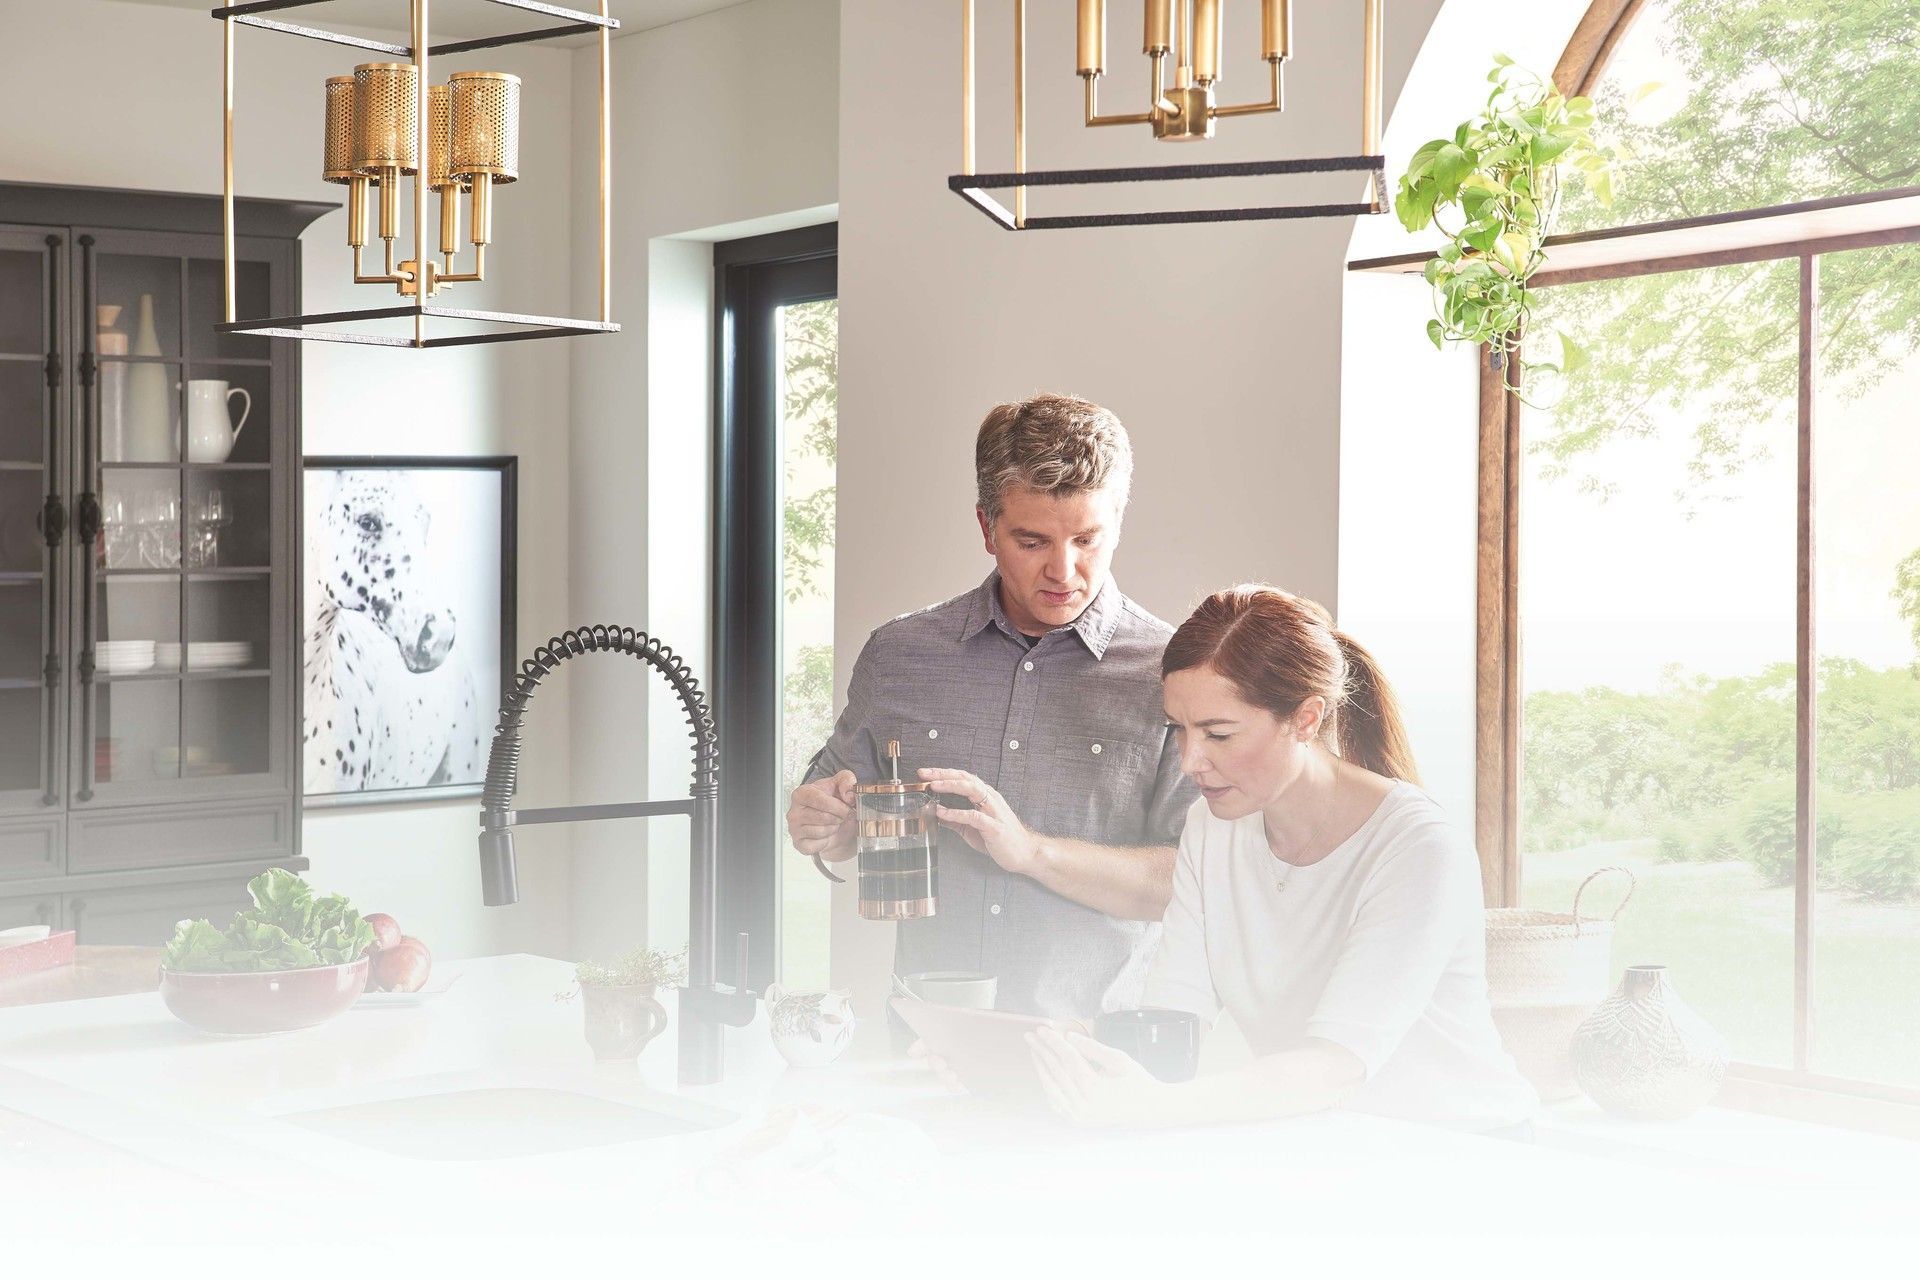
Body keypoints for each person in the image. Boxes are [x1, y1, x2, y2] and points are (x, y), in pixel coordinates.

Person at [1029, 585, 1538, 1133]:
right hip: (1327, 1141)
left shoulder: (1417, 848)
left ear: (1306, 719)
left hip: (1465, 1148)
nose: (1190, 760)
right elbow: (1175, 1018)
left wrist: (1155, 1107)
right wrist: (1047, 1052)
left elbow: (1336, 1066)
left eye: (1218, 733)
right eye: (1179, 729)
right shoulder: (1212, 828)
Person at [786, 394, 1197, 1019]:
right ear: (986, 528)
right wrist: (827, 826)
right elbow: (836, 813)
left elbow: (1188, 880)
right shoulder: (899, 653)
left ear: (1119, 519)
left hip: (1097, 1049)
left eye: (1088, 539)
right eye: (1032, 541)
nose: (1065, 571)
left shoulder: (1174, 672)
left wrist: (1031, 851)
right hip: (926, 1035)